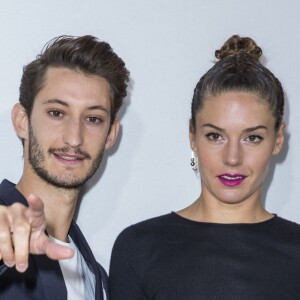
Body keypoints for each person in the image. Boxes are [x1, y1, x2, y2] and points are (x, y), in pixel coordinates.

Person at [108, 35, 300, 299]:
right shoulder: (139, 247)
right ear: (192, 136)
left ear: (277, 140)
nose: (233, 158)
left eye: (252, 137)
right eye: (215, 136)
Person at [0, 35, 129, 299]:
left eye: (93, 119)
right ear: (22, 120)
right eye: (57, 113)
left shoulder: (98, 279)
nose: (74, 138)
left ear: (111, 134)